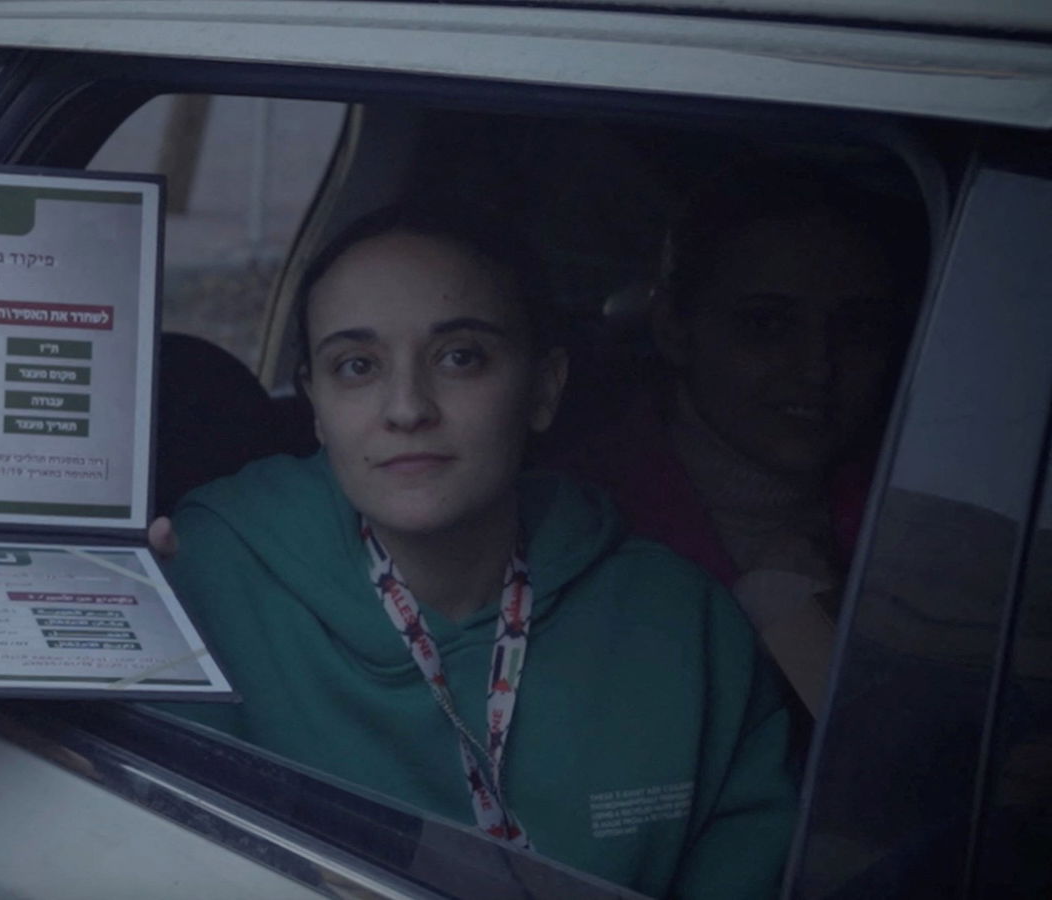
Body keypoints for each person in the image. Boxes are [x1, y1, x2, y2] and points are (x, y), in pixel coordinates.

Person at [148, 205, 797, 898]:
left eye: (460, 357)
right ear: (315, 404)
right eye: (357, 365)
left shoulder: (684, 624)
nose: (406, 407)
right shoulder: (200, 581)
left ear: (543, 387)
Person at [541, 166, 922, 716]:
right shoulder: (568, 524)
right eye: (766, 325)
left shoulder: (927, 519)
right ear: (674, 328)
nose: (817, 367)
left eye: (856, 328)